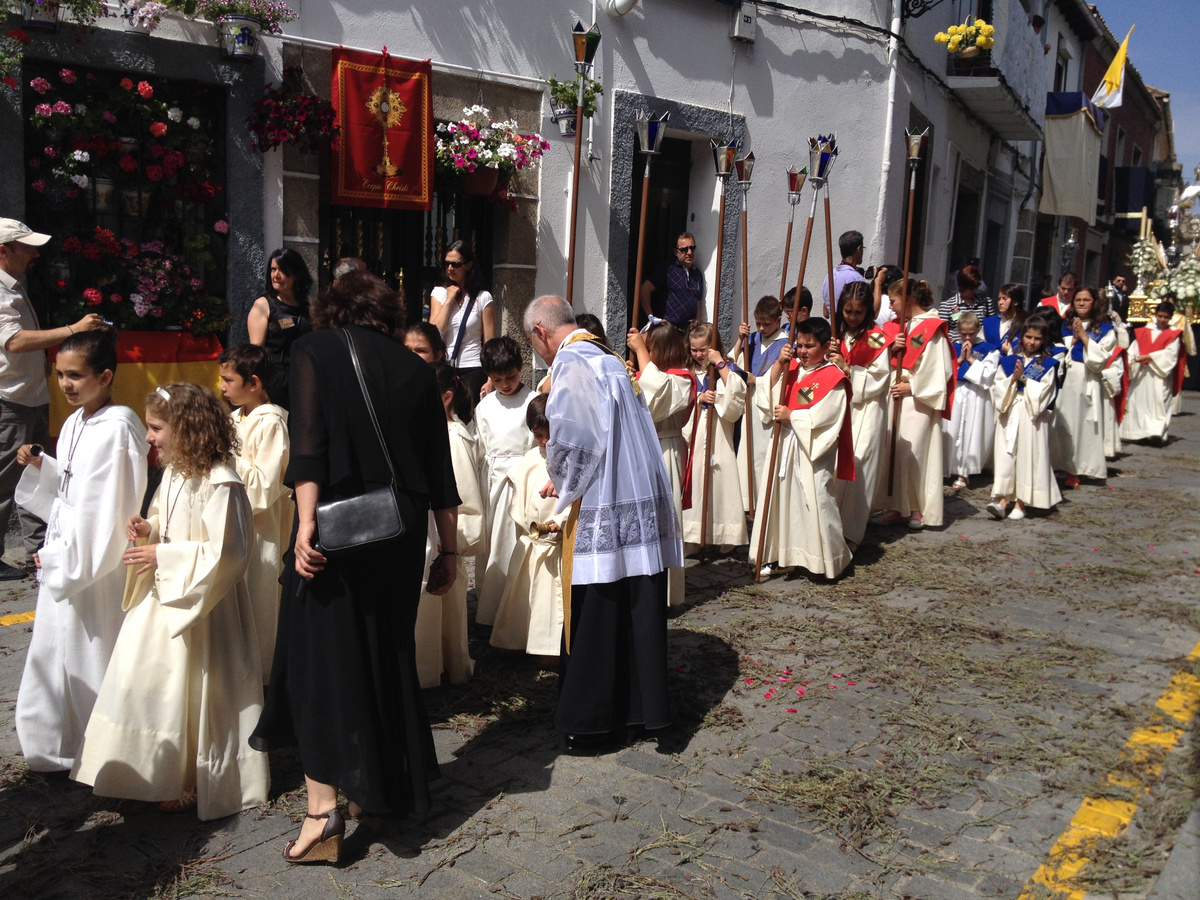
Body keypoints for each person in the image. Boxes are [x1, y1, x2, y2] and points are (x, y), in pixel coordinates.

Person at [251, 270, 460, 863]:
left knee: (321, 662)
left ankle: (323, 814)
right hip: (399, 530)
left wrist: (306, 523)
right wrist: (449, 550)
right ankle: (380, 791)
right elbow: (439, 471)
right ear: (388, 317)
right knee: (384, 654)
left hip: (334, 530)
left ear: (331, 311)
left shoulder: (316, 349)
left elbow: (309, 443)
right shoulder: (418, 371)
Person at [72, 382, 266, 820]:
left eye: (156, 428)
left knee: (200, 689)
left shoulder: (223, 482)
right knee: (148, 682)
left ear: (186, 429)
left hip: (204, 606)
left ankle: (191, 776)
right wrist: (150, 528)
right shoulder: (177, 472)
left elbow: (229, 554)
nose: (149, 437)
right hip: (166, 596)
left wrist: (163, 553)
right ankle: (148, 768)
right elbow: (167, 515)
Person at [523, 295, 680, 750]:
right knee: (632, 606)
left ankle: (592, 721)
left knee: (598, 607)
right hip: (636, 495)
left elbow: (574, 439)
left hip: (603, 503)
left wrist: (560, 480)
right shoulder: (610, 358)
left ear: (539, 332)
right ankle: (638, 712)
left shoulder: (572, 362)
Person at [13, 328, 147, 772]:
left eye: (76, 375)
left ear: (105, 376)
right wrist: (44, 467)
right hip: (67, 550)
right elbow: (73, 486)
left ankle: (99, 751)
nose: (66, 384)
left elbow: (110, 509)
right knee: (54, 651)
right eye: (59, 375)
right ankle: (54, 745)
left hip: (93, 566)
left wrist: (69, 562)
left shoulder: (120, 427)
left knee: (91, 650)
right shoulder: (73, 422)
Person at [0, 218, 103, 579]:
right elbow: (13, 341)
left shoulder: (10, 285)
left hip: (28, 396)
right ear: (4, 251)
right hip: (9, 400)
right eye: (26, 247)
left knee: (38, 473)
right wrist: (74, 330)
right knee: (6, 480)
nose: (34, 253)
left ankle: (40, 549)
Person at [750, 318, 854, 580]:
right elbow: (765, 393)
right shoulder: (791, 368)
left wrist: (792, 417)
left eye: (810, 346)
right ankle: (784, 557)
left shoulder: (833, 378)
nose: (803, 351)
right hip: (784, 444)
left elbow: (828, 418)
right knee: (783, 505)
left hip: (810, 451)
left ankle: (829, 560)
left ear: (825, 346)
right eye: (799, 345)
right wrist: (779, 364)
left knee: (816, 500)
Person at [218, 343, 294, 685]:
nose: (221, 387)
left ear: (254, 383)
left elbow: (265, 485)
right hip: (233, 521)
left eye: (228, 380)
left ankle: (262, 677)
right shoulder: (235, 418)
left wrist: (226, 459)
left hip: (262, 527)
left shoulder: (272, 422)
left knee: (260, 599)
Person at [414, 363, 482, 687]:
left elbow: (466, 499)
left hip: (445, 536)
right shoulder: (433, 433)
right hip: (431, 531)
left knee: (444, 610)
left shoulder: (455, 438)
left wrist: (451, 542)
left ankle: (442, 671)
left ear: (445, 398)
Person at [872, 279, 955, 530]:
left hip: (917, 398)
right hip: (894, 394)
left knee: (913, 453)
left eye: (894, 301)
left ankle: (918, 507)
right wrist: (890, 349)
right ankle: (897, 505)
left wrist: (913, 387)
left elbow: (940, 370)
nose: (891, 306)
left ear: (908, 299)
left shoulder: (931, 327)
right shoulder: (896, 327)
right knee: (893, 451)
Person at [491, 394, 566, 658]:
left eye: (549, 435)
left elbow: (576, 495)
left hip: (555, 545)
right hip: (531, 541)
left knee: (549, 599)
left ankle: (549, 649)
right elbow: (520, 480)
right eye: (538, 435)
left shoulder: (569, 460)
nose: (544, 442)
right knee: (522, 594)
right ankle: (518, 640)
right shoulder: (533, 457)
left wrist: (559, 520)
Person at [626, 321, 693, 608]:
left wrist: (640, 352)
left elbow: (655, 400)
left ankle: (665, 593)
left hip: (665, 449)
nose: (645, 352)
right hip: (642, 448)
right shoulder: (647, 372)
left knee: (664, 520)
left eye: (649, 348)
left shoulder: (683, 379)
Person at [827, 281, 894, 550]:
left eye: (858, 313)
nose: (852, 318)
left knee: (859, 468)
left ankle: (852, 533)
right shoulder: (837, 335)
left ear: (868, 311)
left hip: (867, 409)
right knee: (836, 467)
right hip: (842, 409)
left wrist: (849, 369)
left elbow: (880, 379)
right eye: (847, 311)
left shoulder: (876, 338)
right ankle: (832, 524)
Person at [474, 336, 535, 626]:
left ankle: (516, 613)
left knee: (514, 543)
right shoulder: (485, 406)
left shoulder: (533, 402)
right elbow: (479, 446)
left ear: (521, 368)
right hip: (492, 481)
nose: (506, 384)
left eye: (510, 377)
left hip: (521, 479)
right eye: (497, 379)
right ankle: (490, 611)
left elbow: (538, 445)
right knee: (492, 545)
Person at [681, 322, 747, 553]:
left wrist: (719, 364)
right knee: (695, 485)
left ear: (714, 346)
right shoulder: (688, 372)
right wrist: (699, 397)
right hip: (696, 434)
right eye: (694, 349)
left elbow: (737, 394)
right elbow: (679, 399)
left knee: (721, 482)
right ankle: (691, 535)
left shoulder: (726, 369)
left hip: (719, 433)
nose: (699, 354)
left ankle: (724, 532)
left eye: (703, 349)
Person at [987, 316, 1061, 520]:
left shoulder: (1046, 364)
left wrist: (1024, 379)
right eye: (1028, 337)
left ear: (1043, 340)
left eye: (1037, 338)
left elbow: (1046, 392)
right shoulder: (1010, 360)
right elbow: (998, 385)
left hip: (1031, 415)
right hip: (1010, 409)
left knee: (1028, 456)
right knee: (1006, 455)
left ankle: (1021, 502)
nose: (1031, 342)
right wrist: (1012, 379)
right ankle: (1002, 500)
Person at [1050, 285, 1118, 486]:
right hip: (1065, 377)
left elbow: (1101, 359)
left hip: (1086, 378)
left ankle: (1078, 469)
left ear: (1094, 302)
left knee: (1082, 423)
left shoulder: (1105, 328)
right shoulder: (1065, 324)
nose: (1081, 303)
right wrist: (1071, 340)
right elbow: (1056, 348)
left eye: (1086, 300)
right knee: (1061, 423)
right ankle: (1058, 465)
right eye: (1078, 299)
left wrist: (1085, 338)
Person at [731, 295, 789, 513]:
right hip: (750, 400)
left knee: (763, 453)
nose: (762, 328)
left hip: (767, 400)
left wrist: (758, 381)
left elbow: (783, 378)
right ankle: (748, 500)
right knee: (747, 449)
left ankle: (764, 499)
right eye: (758, 323)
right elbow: (734, 363)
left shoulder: (785, 343)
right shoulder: (752, 339)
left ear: (778, 320)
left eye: (767, 324)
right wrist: (739, 339)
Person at [247, 248, 314, 412]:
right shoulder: (263, 305)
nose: (276, 275)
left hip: (305, 377)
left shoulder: (310, 305)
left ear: (296, 274)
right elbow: (257, 352)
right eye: (273, 269)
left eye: (283, 270)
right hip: (275, 380)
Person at [429, 240, 495, 402]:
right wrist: (449, 299)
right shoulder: (439, 293)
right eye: (447, 264)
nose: (450, 268)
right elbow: (434, 332)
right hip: (445, 366)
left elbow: (489, 341)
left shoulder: (482, 297)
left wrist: (490, 379)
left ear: (469, 265)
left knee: (468, 417)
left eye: (456, 264)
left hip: (472, 366)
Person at [942, 311, 999, 488]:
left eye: (971, 334)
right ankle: (947, 468)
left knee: (970, 431)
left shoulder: (989, 349)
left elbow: (989, 375)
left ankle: (964, 472)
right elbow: (945, 370)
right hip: (957, 392)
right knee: (952, 428)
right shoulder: (952, 346)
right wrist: (959, 359)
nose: (967, 337)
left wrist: (972, 359)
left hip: (976, 394)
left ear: (978, 330)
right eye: (964, 333)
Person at [1120, 301, 1186, 444]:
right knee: (1139, 404)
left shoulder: (1173, 334)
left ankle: (1156, 433)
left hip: (1159, 375)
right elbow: (1134, 349)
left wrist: (1149, 357)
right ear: (1154, 315)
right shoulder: (1144, 331)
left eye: (1166, 317)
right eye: (1160, 316)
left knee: (1159, 404)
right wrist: (1131, 361)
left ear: (1170, 318)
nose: (1162, 320)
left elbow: (1170, 355)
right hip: (1142, 374)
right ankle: (1139, 433)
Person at [639, 232, 705, 329]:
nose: (689, 252)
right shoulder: (667, 269)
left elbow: (698, 301)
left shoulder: (697, 274)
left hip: (688, 333)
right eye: (684, 250)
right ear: (676, 252)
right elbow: (645, 288)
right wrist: (651, 316)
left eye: (692, 248)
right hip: (668, 331)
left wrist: (698, 321)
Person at [938, 265, 997, 343]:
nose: (974, 290)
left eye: (976, 287)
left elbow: (992, 327)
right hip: (956, 347)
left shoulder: (986, 302)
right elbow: (942, 333)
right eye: (971, 288)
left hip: (980, 347)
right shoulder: (947, 305)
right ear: (962, 286)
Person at [820, 230, 866, 318]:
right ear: (859, 249)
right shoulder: (856, 279)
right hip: (848, 329)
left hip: (833, 328)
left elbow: (826, 313)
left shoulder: (829, 276)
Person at [982, 284, 1026, 353]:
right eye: (999, 299)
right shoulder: (989, 322)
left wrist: (1010, 352)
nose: (1000, 302)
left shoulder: (1025, 323)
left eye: (1004, 299)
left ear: (1016, 302)